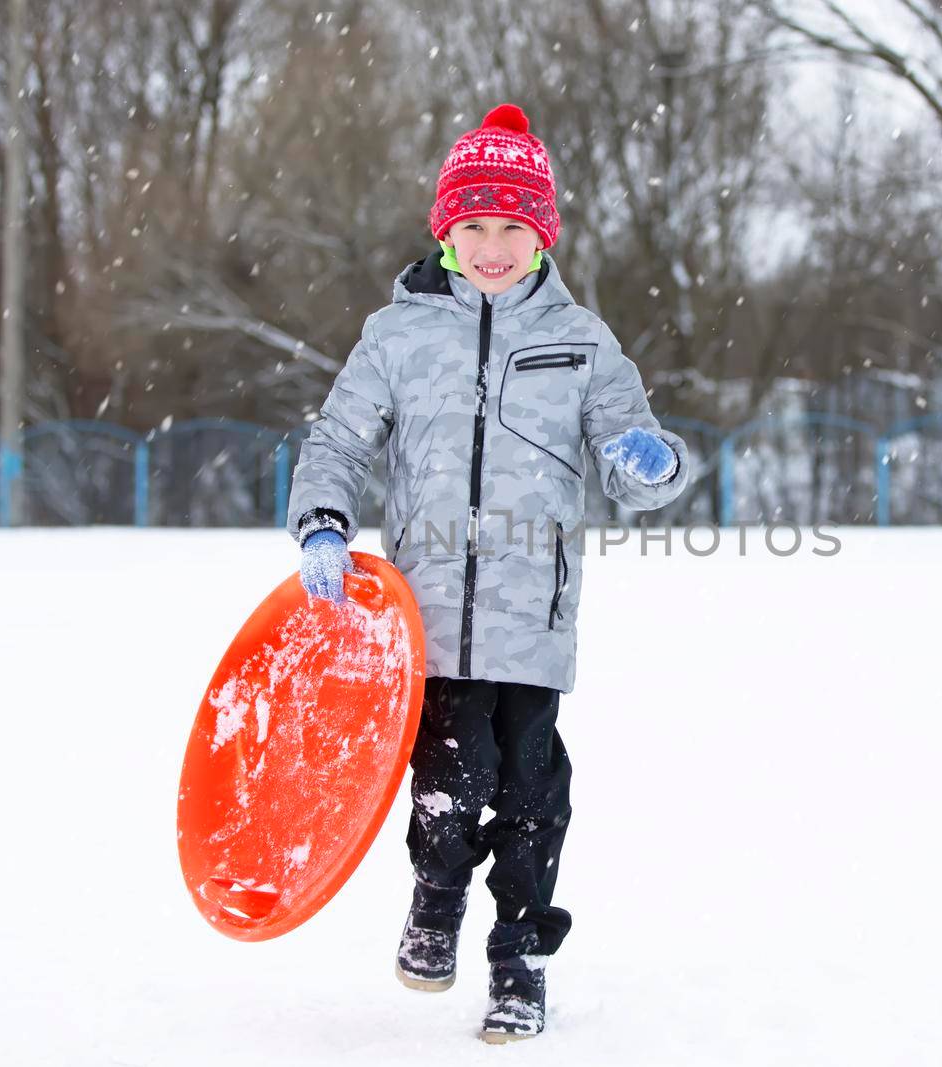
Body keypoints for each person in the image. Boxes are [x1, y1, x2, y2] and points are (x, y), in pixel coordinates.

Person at [286, 103, 690, 1043]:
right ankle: (435, 896)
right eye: (475, 225)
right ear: (446, 231)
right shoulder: (397, 335)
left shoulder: (583, 339)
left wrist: (651, 462)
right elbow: (339, 441)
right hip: (423, 611)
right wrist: (324, 524)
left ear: (542, 233)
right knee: (448, 781)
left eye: (514, 226)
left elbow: (636, 452)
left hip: (532, 615)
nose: (494, 245)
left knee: (532, 791)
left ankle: (520, 960)